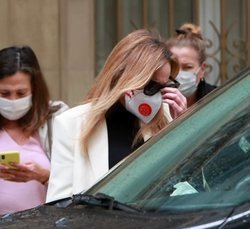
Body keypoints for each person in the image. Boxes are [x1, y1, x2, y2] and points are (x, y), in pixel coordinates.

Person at [46, 29, 187, 203]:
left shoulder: (167, 119)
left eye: (164, 87)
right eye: (150, 85)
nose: (156, 95)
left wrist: (185, 129)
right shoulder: (72, 123)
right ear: (123, 77)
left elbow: (187, 188)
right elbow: (59, 204)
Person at [0, 46, 68, 215]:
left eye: (21, 93)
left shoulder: (56, 119)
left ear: (35, 90)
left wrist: (43, 175)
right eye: (4, 93)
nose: (13, 100)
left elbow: (77, 181)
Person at [166, 23, 216, 107]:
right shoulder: (154, 102)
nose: (178, 73)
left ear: (202, 69)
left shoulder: (216, 100)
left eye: (187, 67)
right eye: (173, 67)